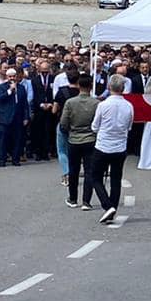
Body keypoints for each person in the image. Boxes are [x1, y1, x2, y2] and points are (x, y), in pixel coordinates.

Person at [88, 74, 133, 224]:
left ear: (109, 87)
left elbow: (95, 126)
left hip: (103, 145)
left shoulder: (103, 105)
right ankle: (112, 207)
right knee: (115, 179)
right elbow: (129, 126)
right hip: (120, 146)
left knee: (95, 177)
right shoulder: (128, 106)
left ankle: (107, 206)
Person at [58, 79, 98, 208]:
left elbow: (63, 123)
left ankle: (73, 199)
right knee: (89, 171)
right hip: (91, 139)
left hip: (74, 139)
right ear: (91, 87)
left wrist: (69, 130)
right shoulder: (96, 103)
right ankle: (86, 201)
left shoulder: (70, 103)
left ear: (79, 86)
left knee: (73, 170)